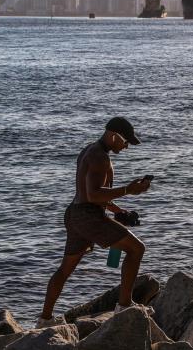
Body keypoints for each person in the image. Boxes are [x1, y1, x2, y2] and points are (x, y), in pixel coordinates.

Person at [36, 117, 152, 328]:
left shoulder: (89, 151)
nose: (126, 147)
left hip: (75, 215)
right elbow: (92, 195)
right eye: (125, 142)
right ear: (114, 135)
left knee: (65, 269)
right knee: (136, 250)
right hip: (88, 217)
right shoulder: (100, 157)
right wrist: (129, 190)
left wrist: (118, 210)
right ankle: (125, 306)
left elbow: (84, 192)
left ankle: (44, 319)